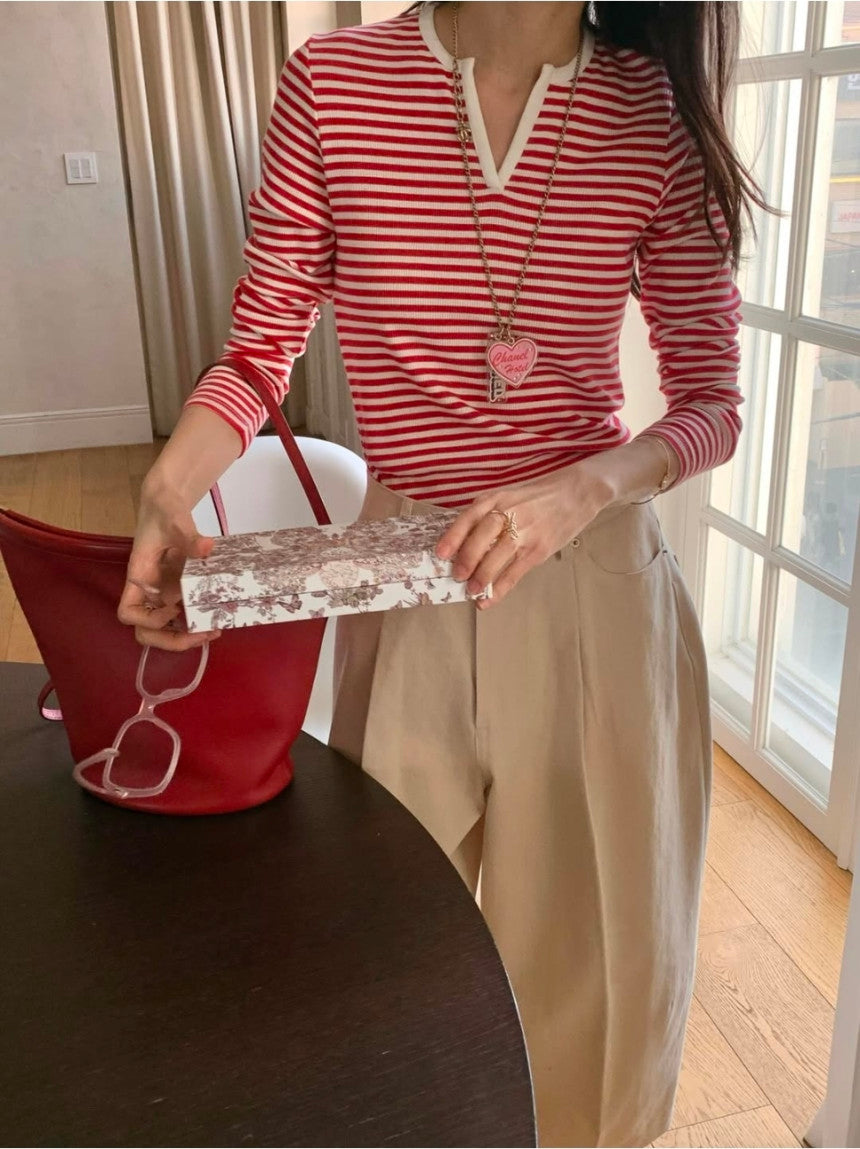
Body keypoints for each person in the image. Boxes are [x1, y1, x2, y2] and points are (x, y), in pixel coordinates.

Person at [119, 3, 771, 1144]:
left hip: (594, 588)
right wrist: (171, 486)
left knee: (590, 984)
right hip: (399, 572)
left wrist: (578, 489)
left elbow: (710, 401)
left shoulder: (650, 107)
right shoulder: (332, 84)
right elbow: (261, 346)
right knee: (376, 953)